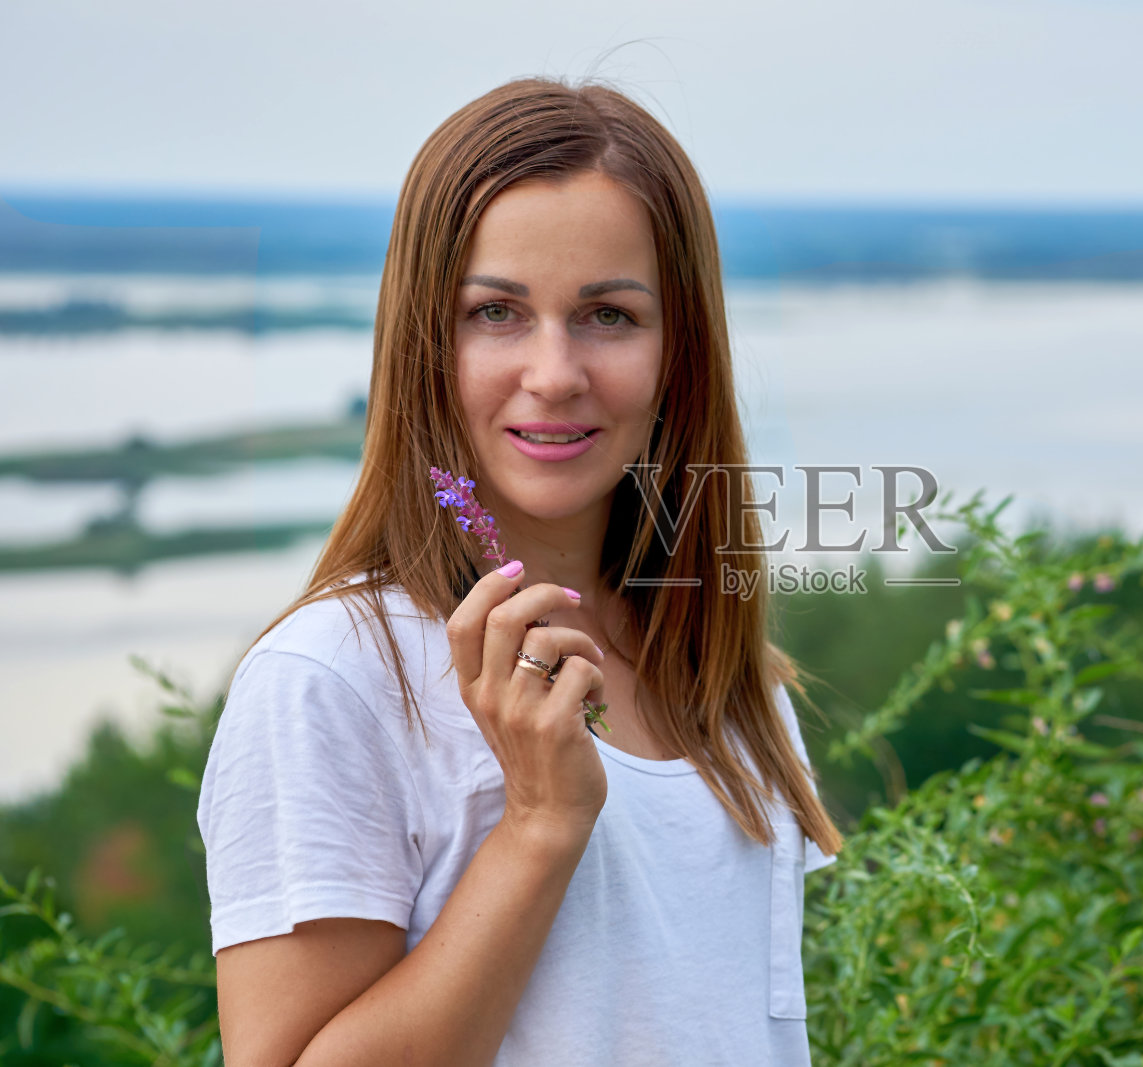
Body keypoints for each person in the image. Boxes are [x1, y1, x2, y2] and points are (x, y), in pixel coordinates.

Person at [196, 75, 845, 1067]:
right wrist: (540, 826)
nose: (553, 372)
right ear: (424, 340)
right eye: (496, 312)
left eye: (611, 316)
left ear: (681, 352)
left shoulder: (732, 690)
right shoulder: (331, 679)